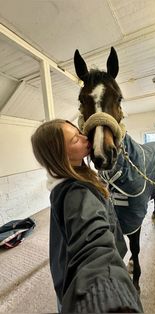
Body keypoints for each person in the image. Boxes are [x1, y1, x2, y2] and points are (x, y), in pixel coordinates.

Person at [31, 119, 143, 313]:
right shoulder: (77, 193)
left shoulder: (75, 176)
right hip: (82, 280)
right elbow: (94, 245)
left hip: (68, 275)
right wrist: (107, 299)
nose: (85, 138)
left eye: (79, 132)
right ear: (61, 156)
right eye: (76, 140)